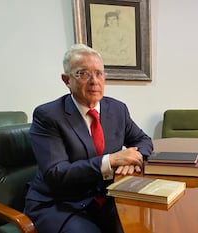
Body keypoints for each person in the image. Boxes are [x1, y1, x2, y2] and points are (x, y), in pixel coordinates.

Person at [24, 44, 153, 233]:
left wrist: (134, 159)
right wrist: (111, 160)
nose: (94, 81)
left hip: (106, 197)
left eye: (99, 73)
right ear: (66, 80)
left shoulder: (117, 110)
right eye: (83, 73)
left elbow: (143, 140)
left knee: (141, 225)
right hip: (60, 204)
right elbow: (56, 174)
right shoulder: (48, 116)